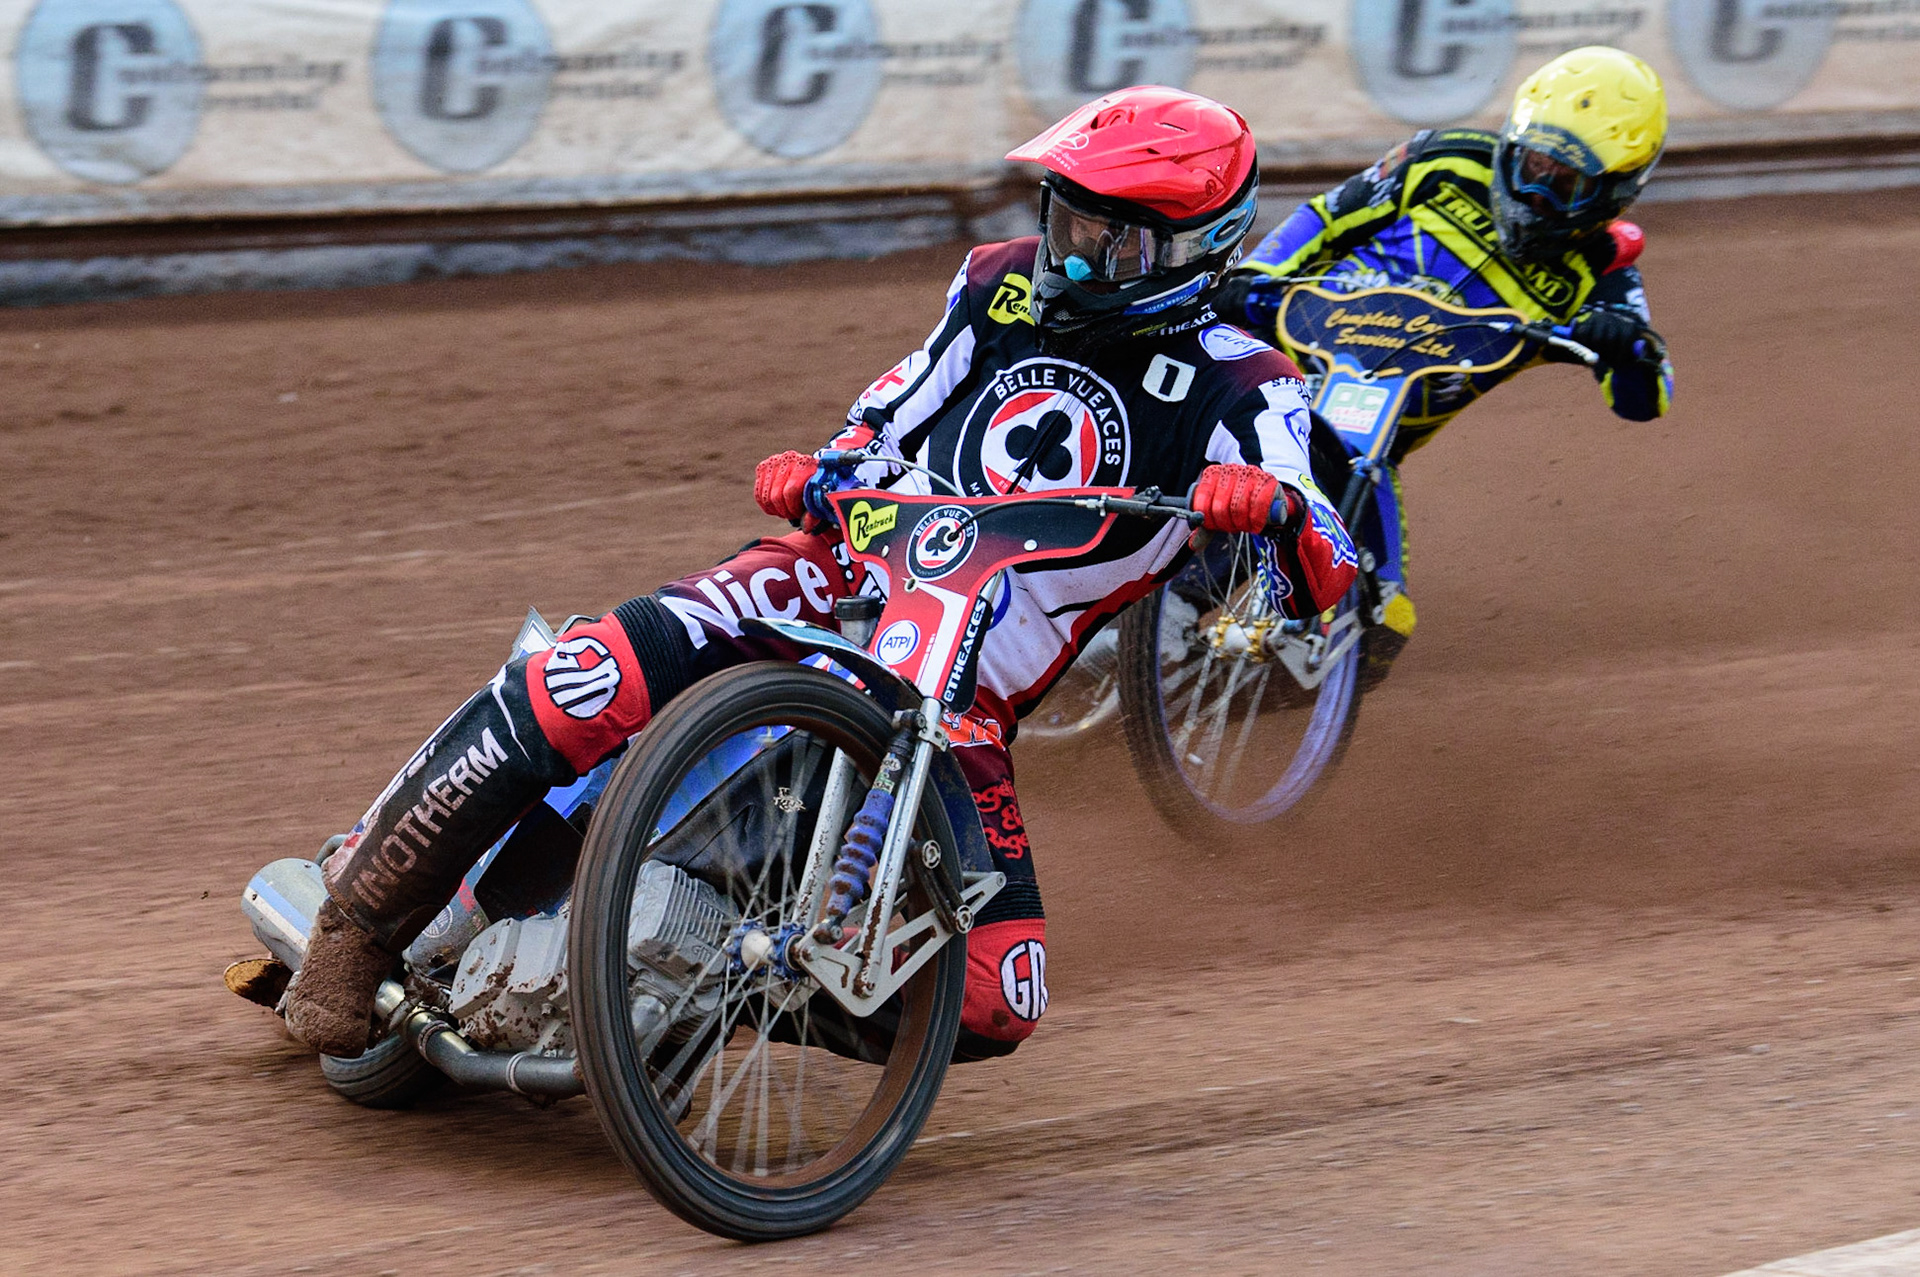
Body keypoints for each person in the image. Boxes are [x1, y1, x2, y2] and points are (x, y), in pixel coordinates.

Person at [284, 86, 1360, 1065]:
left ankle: (703, 979)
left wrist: (1269, 507)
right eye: (1068, 222)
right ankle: (351, 931)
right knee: (589, 672)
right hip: (838, 569)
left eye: (1111, 240)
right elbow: (888, 410)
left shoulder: (1246, 385)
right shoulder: (994, 285)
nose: (1073, 258)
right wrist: (822, 468)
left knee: (1000, 999)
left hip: (967, 695)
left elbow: (1330, 563)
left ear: (1196, 248)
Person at [1211, 45, 1674, 680]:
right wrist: (1258, 275)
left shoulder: (1604, 274)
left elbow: (1646, 399)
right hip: (1280, 358)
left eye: (1564, 183)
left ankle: (1208, 697)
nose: (1536, 191)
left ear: (1615, 193)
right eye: (1531, 164)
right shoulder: (1442, 159)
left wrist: (1627, 347)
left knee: (1382, 625)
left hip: (1370, 441)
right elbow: (1328, 216)